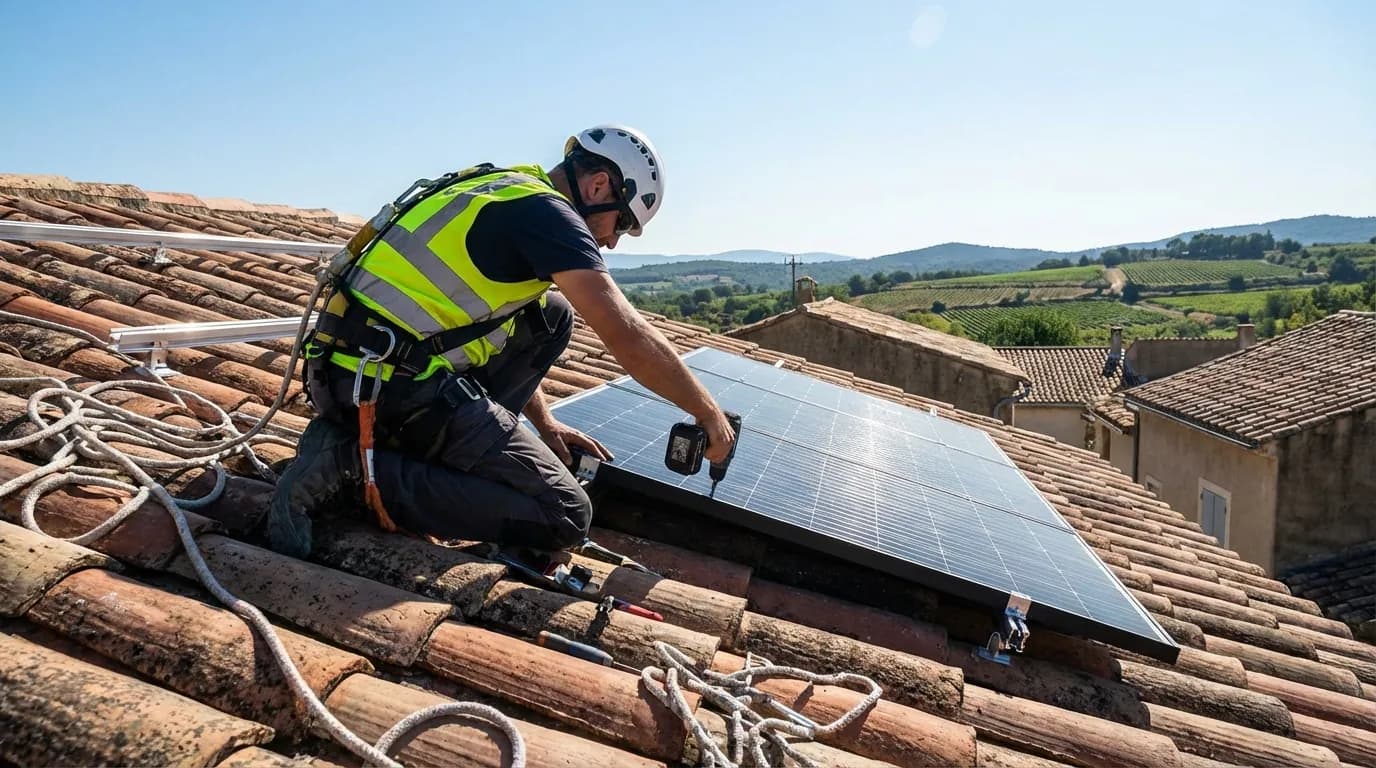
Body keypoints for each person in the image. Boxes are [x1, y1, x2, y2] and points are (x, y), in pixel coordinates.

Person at [266, 125, 736, 559]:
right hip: (389, 388)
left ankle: (413, 460)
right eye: (623, 223)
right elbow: (626, 334)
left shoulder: (507, 186)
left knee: (553, 315)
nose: (614, 242)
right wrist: (707, 413)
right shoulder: (550, 217)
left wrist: (546, 425)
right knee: (564, 514)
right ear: (598, 187)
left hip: (349, 372)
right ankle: (349, 469)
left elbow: (491, 326)